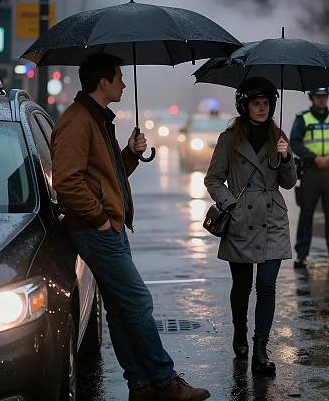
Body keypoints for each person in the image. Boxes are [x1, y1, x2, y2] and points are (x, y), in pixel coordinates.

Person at [51, 53, 210, 401]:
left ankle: (139, 386)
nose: (124, 83)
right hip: (98, 231)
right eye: (119, 77)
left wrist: (130, 154)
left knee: (122, 309)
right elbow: (67, 181)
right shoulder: (78, 121)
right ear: (103, 82)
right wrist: (101, 219)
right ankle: (166, 381)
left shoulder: (97, 119)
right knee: (138, 302)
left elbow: (105, 178)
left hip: (108, 228)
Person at [204, 77, 297, 376]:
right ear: (244, 105)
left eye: (267, 103)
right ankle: (239, 330)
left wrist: (286, 157)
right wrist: (229, 203)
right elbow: (213, 179)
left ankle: (260, 349)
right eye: (256, 103)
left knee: (267, 285)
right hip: (240, 218)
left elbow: (288, 182)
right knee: (242, 285)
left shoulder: (279, 136)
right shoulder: (229, 138)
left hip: (272, 219)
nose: (262, 108)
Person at [290, 87, 329, 269]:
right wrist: (313, 157)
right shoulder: (303, 119)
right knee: (306, 213)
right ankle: (302, 255)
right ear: (312, 98)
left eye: (324, 97)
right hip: (311, 171)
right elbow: (295, 143)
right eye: (318, 97)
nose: (322, 100)